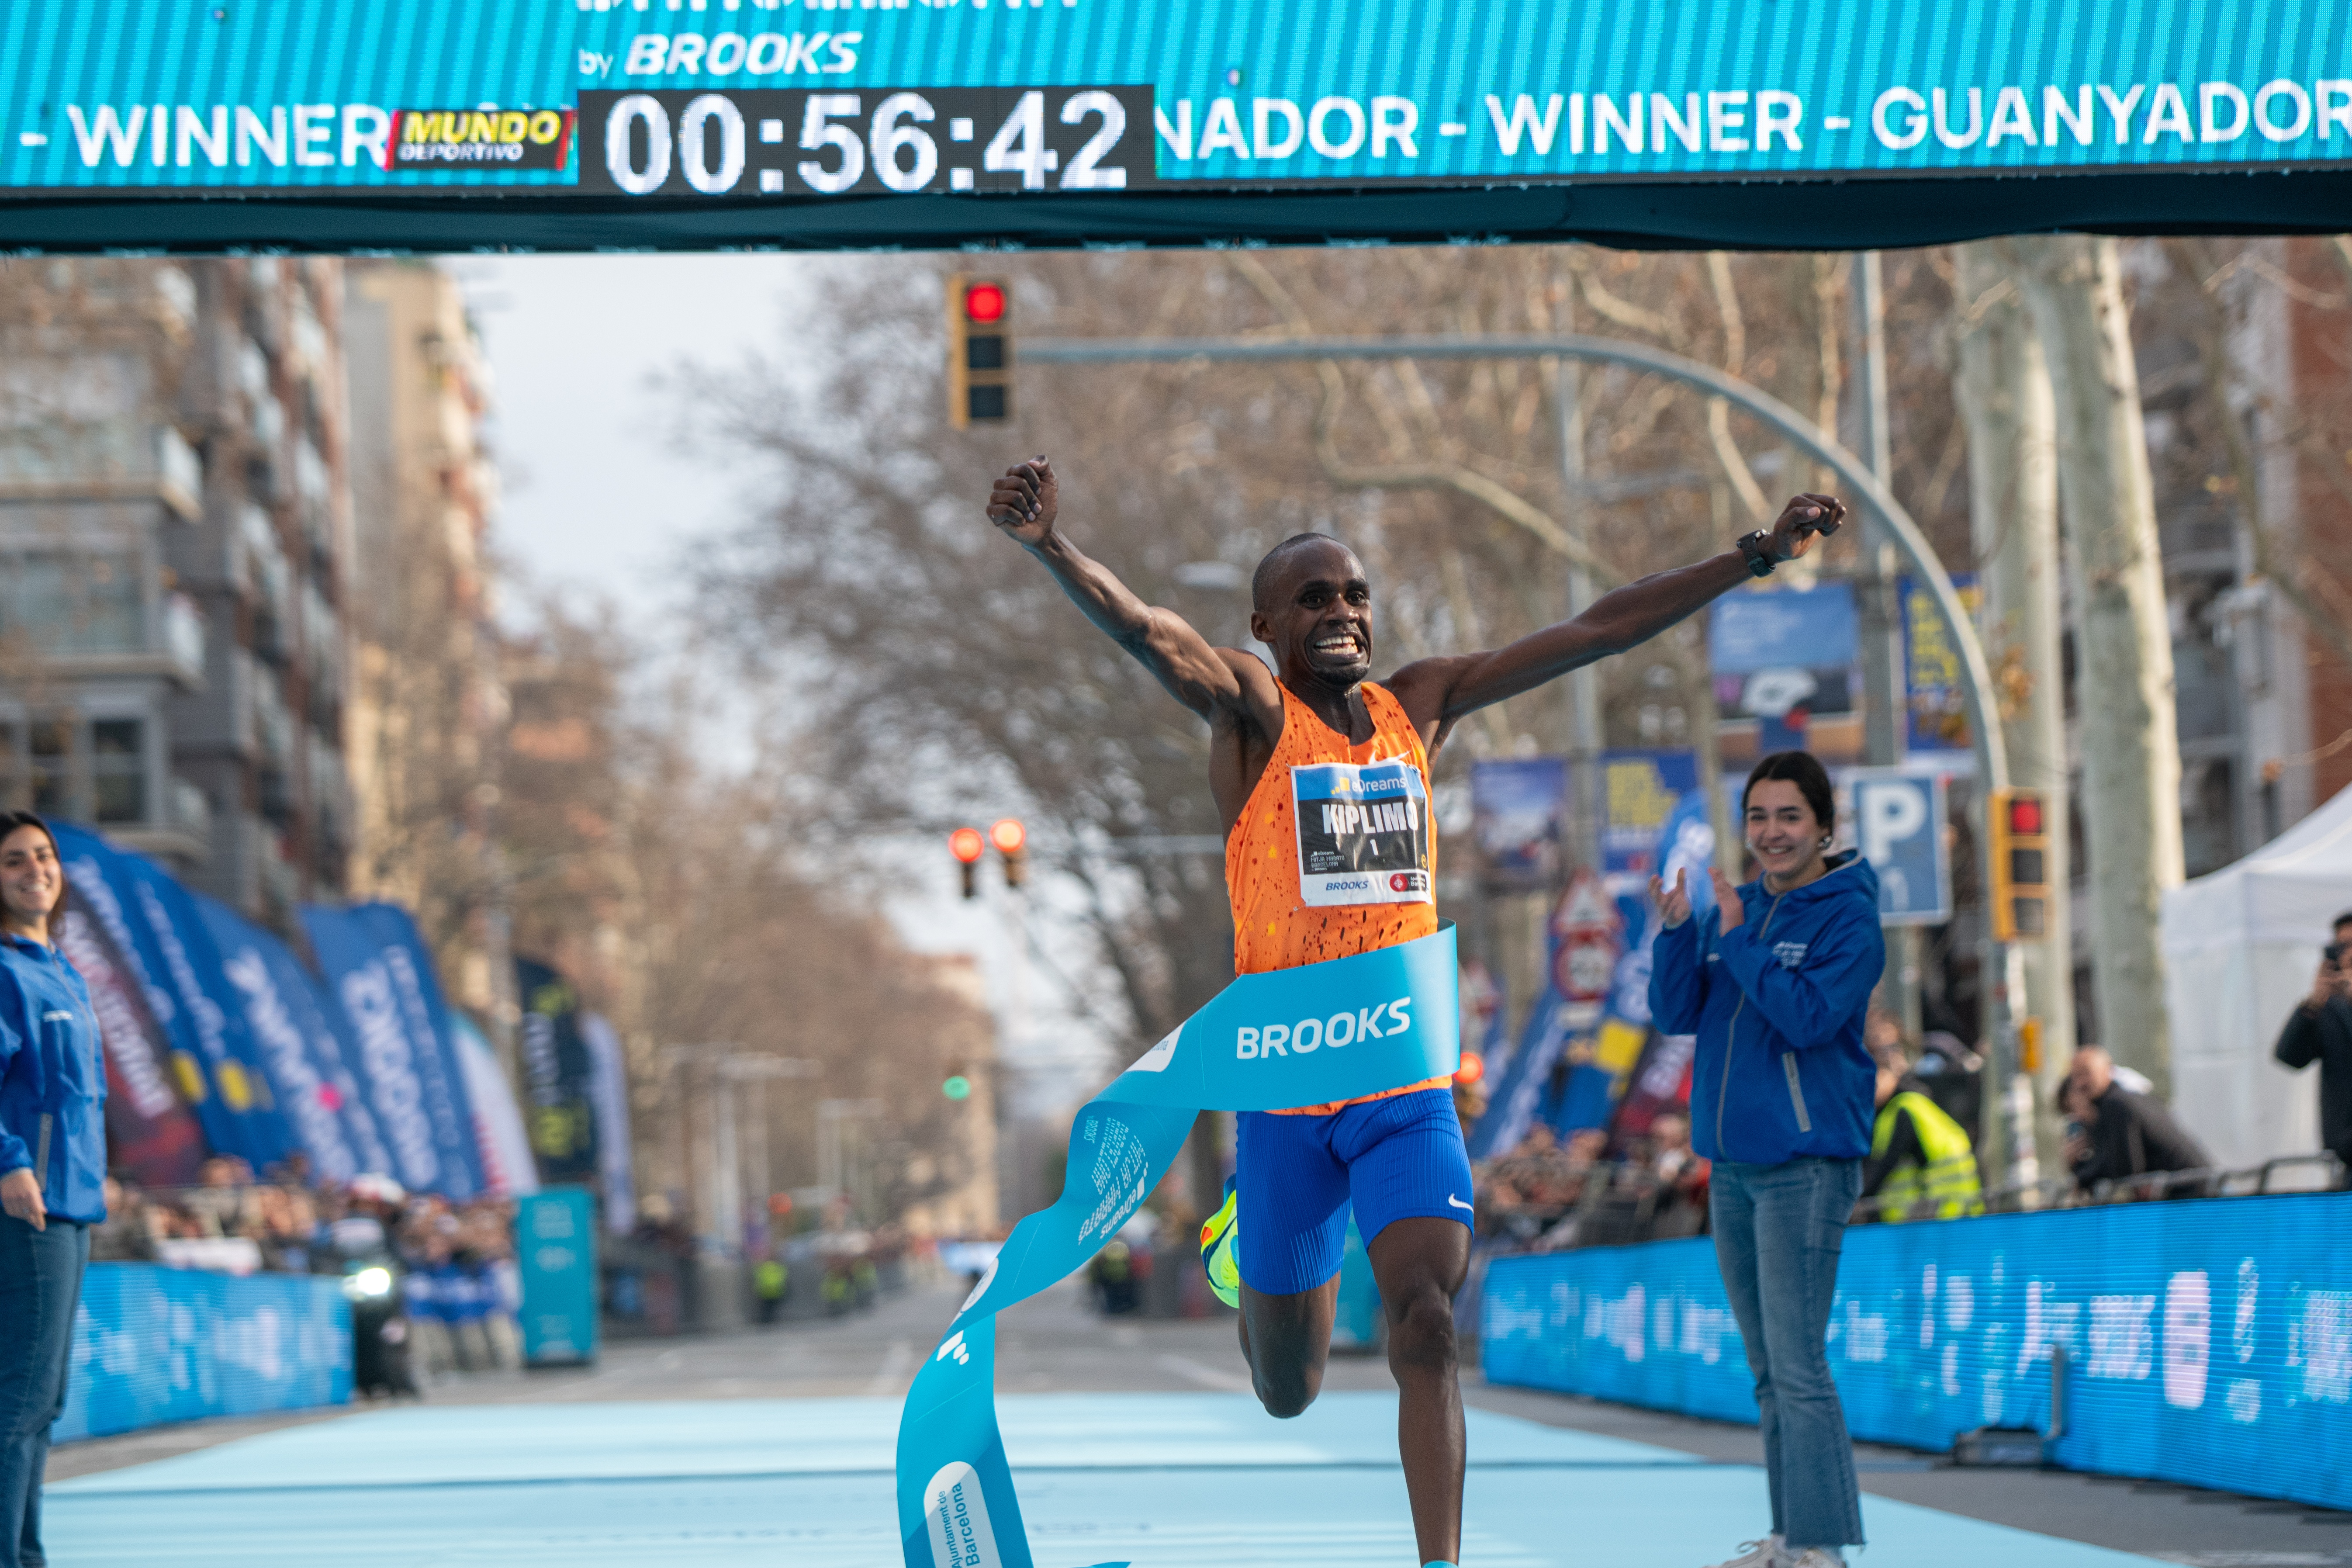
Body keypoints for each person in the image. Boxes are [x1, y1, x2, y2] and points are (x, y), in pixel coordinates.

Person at [988, 453, 1844, 1568]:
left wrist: (1757, 553)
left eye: (1354, 594)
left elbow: (1599, 628)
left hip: (1402, 1085)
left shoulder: (1420, 705)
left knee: (1429, 1326)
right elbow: (1152, 634)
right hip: (1288, 1093)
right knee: (1287, 1389)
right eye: (1313, 598)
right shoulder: (1254, 715)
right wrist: (1054, 547)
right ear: (1265, 624)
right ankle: (1245, 1241)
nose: (1342, 612)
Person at [1649, 752, 1883, 1568]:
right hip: (1733, 1167)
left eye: (1788, 816)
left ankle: (1820, 1542)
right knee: (1765, 1368)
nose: (1771, 832)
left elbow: (1808, 1018)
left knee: (1798, 1361)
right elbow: (1677, 1011)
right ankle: (1790, 1535)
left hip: (1805, 1162)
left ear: (1822, 826)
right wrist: (1681, 932)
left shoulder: (1846, 916)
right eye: (1757, 816)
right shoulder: (1731, 908)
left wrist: (1740, 938)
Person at [0, 811, 105, 1568]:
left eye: (43, 855)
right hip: (28, 1200)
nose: (34, 869)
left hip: (74, 1199)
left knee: (45, 1402)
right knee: (19, 1400)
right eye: (13, 861)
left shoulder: (61, 968)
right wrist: (10, 1159)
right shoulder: (5, 970)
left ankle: (27, 1551)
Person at [2062, 1046, 2214, 1198]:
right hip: (2193, 1189)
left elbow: (2124, 1169)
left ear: (2107, 1071)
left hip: (2187, 1196)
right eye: (2076, 1076)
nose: (2080, 1083)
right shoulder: (2128, 1097)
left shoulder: (2116, 1104)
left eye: (2087, 1073)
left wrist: (2080, 1172)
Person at [1859, 1039, 1982, 1222]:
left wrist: (1855, 1199)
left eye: (1875, 1079)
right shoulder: (1913, 1103)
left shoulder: (1902, 1109)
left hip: (1940, 1212)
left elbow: (1882, 1166)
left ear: (1891, 1075)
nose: (1869, 1090)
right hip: (1957, 1209)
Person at [2273, 911, 2352, 1173]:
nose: (2348, 954)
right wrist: (2314, 1003)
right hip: (2346, 1156)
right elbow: (2290, 1057)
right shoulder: (2332, 1008)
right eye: (2342, 946)